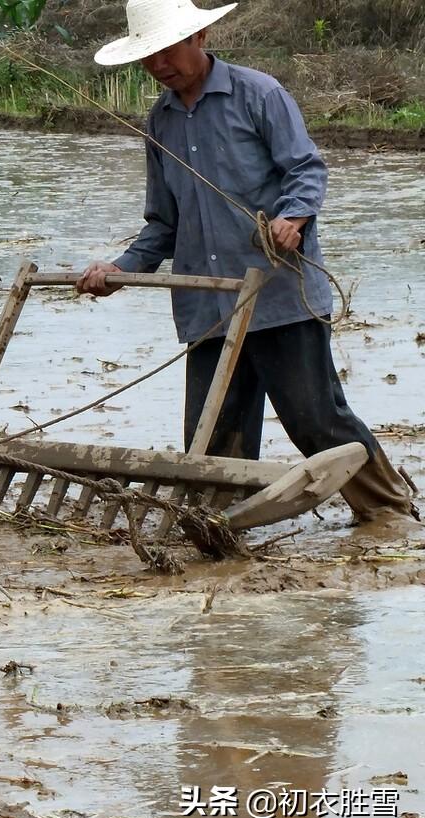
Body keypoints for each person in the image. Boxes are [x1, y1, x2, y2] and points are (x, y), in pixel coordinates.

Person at [78, 0, 416, 524]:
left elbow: (306, 168)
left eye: (168, 50)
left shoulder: (258, 93)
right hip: (209, 302)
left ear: (201, 36)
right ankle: (221, 527)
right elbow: (164, 223)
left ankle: (390, 513)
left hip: (280, 294)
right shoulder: (161, 121)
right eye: (149, 57)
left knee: (316, 421)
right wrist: (121, 268)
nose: (161, 65)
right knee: (214, 432)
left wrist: (293, 219)